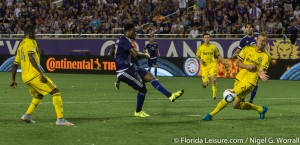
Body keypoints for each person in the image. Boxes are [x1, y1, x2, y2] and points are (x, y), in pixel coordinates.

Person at [114, 23, 184, 117]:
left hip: (130, 67)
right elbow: (135, 54)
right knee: (143, 89)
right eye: (133, 32)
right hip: (124, 71)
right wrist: (145, 55)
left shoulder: (120, 40)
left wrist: (119, 57)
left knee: (151, 76)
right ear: (128, 31)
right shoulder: (125, 41)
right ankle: (138, 111)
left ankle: (171, 95)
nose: (135, 34)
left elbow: (111, 52)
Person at [9, 25, 74, 126]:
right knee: (55, 91)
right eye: (34, 33)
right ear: (30, 34)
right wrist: (41, 74)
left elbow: (14, 64)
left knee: (39, 94)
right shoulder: (31, 42)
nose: (35, 35)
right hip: (34, 75)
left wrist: (13, 80)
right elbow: (31, 58)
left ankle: (27, 115)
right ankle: (60, 119)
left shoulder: (21, 45)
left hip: (25, 77)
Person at [202, 32, 270, 121]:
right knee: (235, 105)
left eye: (263, 41)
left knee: (230, 95)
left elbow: (261, 69)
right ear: (256, 40)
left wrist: (260, 73)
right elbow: (238, 62)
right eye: (260, 40)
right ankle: (261, 109)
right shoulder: (247, 49)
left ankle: (211, 115)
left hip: (250, 82)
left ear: (266, 43)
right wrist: (248, 67)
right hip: (240, 78)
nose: (261, 42)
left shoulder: (266, 56)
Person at [196, 33, 229, 100]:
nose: (207, 38)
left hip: (212, 65)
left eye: (208, 37)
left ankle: (214, 96)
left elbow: (218, 55)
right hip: (205, 67)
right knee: (206, 84)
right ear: (203, 39)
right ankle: (204, 84)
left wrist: (225, 61)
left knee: (213, 79)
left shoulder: (213, 46)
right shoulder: (200, 47)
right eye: (205, 37)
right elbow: (197, 56)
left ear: (210, 38)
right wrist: (200, 60)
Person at [232, 23, 259, 103]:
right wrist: (234, 55)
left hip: (255, 63)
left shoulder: (257, 37)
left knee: (255, 81)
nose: (249, 29)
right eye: (247, 27)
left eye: (250, 27)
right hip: (245, 64)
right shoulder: (243, 40)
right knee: (244, 81)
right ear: (245, 29)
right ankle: (242, 96)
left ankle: (251, 100)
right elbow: (238, 50)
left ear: (253, 28)